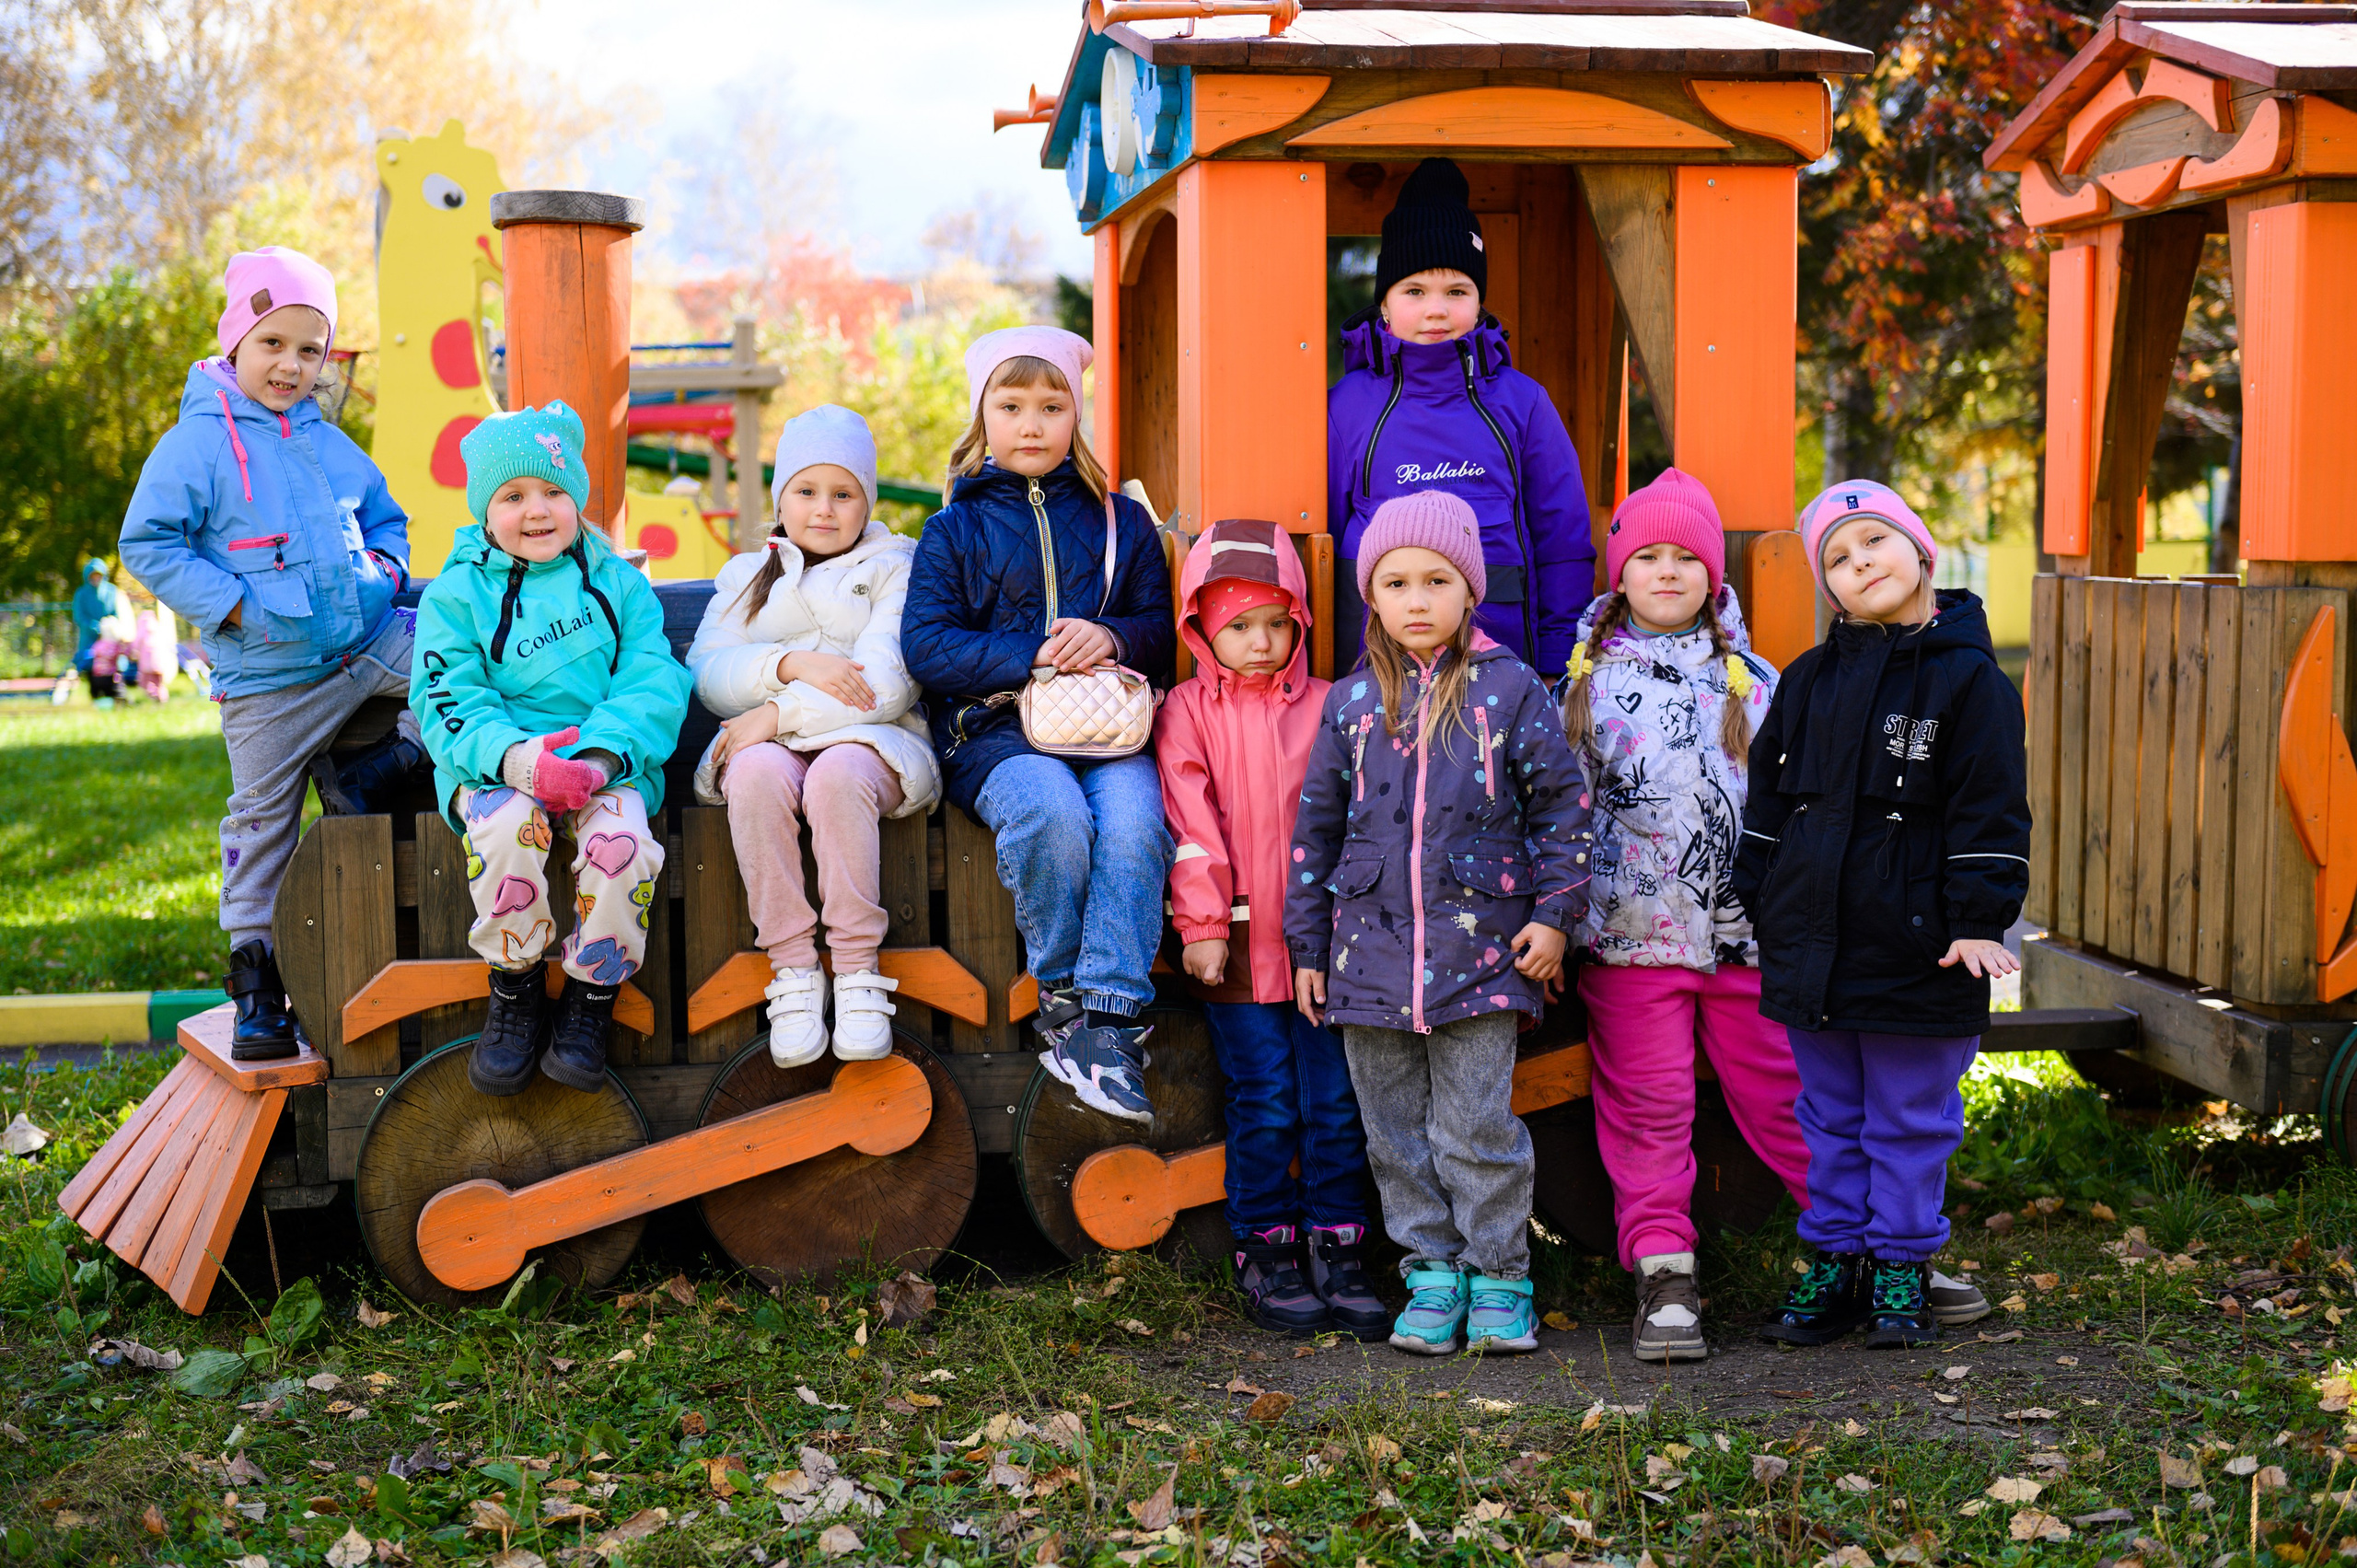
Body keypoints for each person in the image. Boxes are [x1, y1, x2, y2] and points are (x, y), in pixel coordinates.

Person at [1287, 490, 1592, 1357]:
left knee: (1476, 1128)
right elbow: (1314, 831)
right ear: (1372, 596)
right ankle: (1431, 1273)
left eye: (1437, 580)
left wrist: (1556, 917)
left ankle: (1499, 1276)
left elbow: (1563, 811)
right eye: (1396, 583)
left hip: (1483, 955)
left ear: (1470, 590)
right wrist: (1309, 946)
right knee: (1393, 1132)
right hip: (1366, 956)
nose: (1416, 599)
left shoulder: (1511, 689)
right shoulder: (1351, 703)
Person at [1735, 480, 2026, 1349]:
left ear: (1921, 549)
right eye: (1838, 558)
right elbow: (1769, 798)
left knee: (1907, 1117)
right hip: (1814, 945)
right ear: (1828, 587)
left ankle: (1901, 1260)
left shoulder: (1971, 680)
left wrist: (1977, 919)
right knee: (1829, 1115)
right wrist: (1758, 892)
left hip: (1920, 948)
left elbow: (1990, 807)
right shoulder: (1808, 679)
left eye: (1875, 541)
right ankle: (1837, 1256)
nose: (1860, 563)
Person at [121, 247, 417, 1061]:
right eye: (273, 344)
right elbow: (147, 542)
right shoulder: (198, 443)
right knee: (259, 823)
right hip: (269, 679)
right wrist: (232, 604)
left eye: (310, 349)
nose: (290, 365)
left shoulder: (329, 441)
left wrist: (384, 572)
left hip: (365, 644)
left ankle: (387, 765)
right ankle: (257, 986)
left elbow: (387, 517)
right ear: (236, 343)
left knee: (458, 660)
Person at [1558, 468, 1812, 1363]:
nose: (1666, 571)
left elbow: (1793, 808)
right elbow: (1558, 816)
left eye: (1685, 557)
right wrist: (1557, 922)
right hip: (1629, 941)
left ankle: (1866, 1242)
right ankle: (1663, 1271)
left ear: (1713, 574)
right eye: (1648, 556)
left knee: (1789, 1097)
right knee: (1649, 1107)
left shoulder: (1757, 682)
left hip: (1744, 943)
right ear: (1620, 573)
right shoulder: (1582, 686)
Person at [902, 326, 1175, 1122]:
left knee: (1135, 822)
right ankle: (1064, 997)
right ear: (982, 415)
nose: (1032, 424)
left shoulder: (1122, 521)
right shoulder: (953, 529)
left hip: (1109, 729)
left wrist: (1113, 636)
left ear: (1075, 415)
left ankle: (1112, 1022)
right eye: (1011, 405)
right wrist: (1033, 654)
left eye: (1052, 407)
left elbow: (1161, 631)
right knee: (1051, 812)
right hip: (995, 735)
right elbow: (926, 646)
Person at [412, 401, 690, 1096]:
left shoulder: (619, 583)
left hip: (604, 765)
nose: (536, 510)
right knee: (505, 827)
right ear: (484, 510)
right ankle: (517, 984)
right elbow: (446, 697)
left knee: (624, 845)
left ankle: (593, 994)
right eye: (512, 496)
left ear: (577, 499)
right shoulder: (455, 595)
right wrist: (519, 762)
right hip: (496, 765)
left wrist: (597, 760)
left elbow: (653, 680)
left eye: (553, 492)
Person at [1156, 517, 1385, 1341]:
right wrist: (1203, 922)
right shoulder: (1187, 711)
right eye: (1239, 626)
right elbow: (1190, 824)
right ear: (1201, 629)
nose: (1260, 643)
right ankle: (1267, 1248)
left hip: (1327, 953)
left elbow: (1360, 821)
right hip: (1238, 951)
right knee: (1265, 1099)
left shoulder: (1331, 704)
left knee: (1335, 1100)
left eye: (1276, 624)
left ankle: (1342, 1247)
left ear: (1300, 622)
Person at [687, 405, 941, 1066]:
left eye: (843, 494)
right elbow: (708, 671)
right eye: (806, 491)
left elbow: (884, 684)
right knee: (752, 773)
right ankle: (794, 968)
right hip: (775, 751)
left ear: (867, 501)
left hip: (874, 743)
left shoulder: (895, 566)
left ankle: (856, 969)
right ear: (781, 499)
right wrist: (789, 665)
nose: (823, 509)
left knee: (836, 774)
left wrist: (774, 714)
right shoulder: (748, 576)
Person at [1328, 157, 1595, 678]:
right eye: (1414, 291)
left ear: (1478, 302)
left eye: (1456, 292)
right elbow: (1325, 543)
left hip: (1505, 675)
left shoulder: (1523, 403)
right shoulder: (1348, 406)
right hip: (1376, 677)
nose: (1436, 310)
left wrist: (1556, 663)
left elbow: (1562, 542)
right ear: (1384, 304)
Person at [71, 559, 125, 703]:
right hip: (89, 636)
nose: (96, 579)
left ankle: (115, 697)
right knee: (90, 664)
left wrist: (108, 627)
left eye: (98, 575)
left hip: (109, 636)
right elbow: (79, 616)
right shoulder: (81, 593)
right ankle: (96, 697)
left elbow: (116, 613)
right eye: (93, 576)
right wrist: (95, 627)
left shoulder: (111, 591)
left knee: (113, 665)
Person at [133, 604, 180, 702]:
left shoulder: (142, 631)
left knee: (149, 682)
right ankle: (162, 697)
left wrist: (134, 652)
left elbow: (136, 645)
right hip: (159, 665)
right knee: (158, 682)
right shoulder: (158, 629)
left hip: (147, 666)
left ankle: (153, 698)